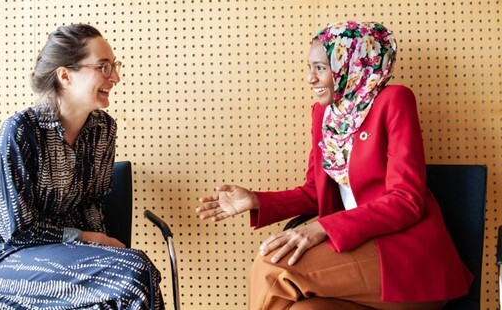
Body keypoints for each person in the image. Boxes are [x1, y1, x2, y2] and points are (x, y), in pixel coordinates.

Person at [196, 20, 473, 310]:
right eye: (310, 68)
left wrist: (322, 228)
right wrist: (256, 200)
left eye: (320, 68)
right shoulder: (325, 115)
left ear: (350, 65)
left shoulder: (394, 101)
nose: (310, 79)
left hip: (405, 259)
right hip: (356, 251)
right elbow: (316, 192)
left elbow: (406, 200)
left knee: (272, 268)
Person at [0, 24, 164, 310]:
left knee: (128, 280)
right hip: (8, 260)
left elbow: (91, 204)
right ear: (65, 75)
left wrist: (103, 247)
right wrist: (86, 238)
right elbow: (17, 231)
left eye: (115, 66)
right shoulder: (20, 132)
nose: (116, 77)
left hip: (70, 256)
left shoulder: (103, 129)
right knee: (133, 274)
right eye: (104, 67)